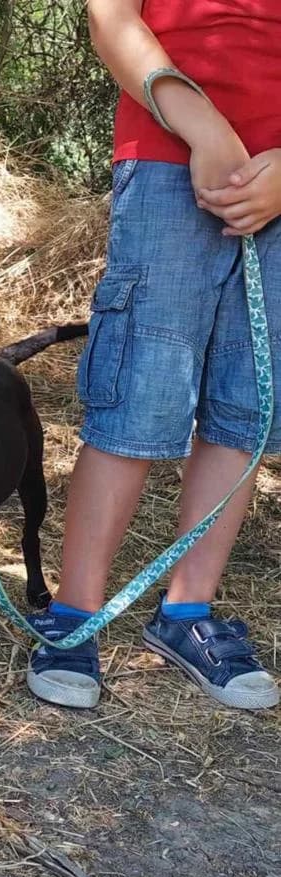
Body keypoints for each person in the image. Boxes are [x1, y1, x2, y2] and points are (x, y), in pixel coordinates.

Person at [27, 0, 281, 711]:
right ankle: (77, 614)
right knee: (141, 390)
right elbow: (112, 20)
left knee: (247, 401)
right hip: (172, 157)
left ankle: (187, 614)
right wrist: (208, 132)